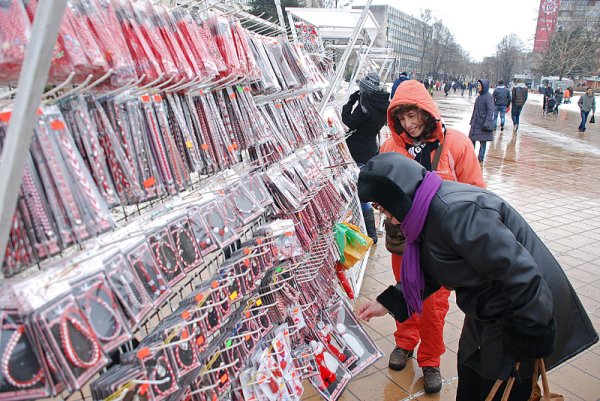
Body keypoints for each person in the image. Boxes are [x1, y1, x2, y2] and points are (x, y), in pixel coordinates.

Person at [356, 152, 598, 401]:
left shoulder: (456, 211)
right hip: (487, 307)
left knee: (501, 387)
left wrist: (526, 339)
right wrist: (386, 303)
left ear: (399, 193)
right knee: (472, 373)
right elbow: (433, 268)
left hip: (522, 311)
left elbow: (522, 275)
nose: (382, 212)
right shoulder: (424, 212)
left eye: (381, 204)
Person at [380, 80, 485, 394]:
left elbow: (477, 195)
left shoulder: (456, 145)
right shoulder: (390, 147)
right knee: (405, 294)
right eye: (402, 118)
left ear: (427, 111)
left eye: (415, 116)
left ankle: (430, 359)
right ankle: (405, 342)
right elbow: (381, 189)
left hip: (441, 248)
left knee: (434, 305)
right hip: (404, 243)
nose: (409, 125)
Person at [341, 72, 390, 242]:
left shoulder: (365, 107)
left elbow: (348, 121)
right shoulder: (381, 105)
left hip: (357, 151)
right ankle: (368, 232)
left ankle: (370, 235)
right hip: (370, 149)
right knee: (361, 190)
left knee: (359, 194)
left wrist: (350, 102)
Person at [469, 79, 495, 165]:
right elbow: (475, 110)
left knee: (482, 142)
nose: (478, 87)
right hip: (475, 124)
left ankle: (480, 158)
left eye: (479, 85)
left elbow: (490, 111)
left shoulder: (488, 97)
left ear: (484, 86)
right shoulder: (479, 97)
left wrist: (487, 123)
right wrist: (472, 120)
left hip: (483, 124)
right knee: (471, 140)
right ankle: (470, 157)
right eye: (478, 85)